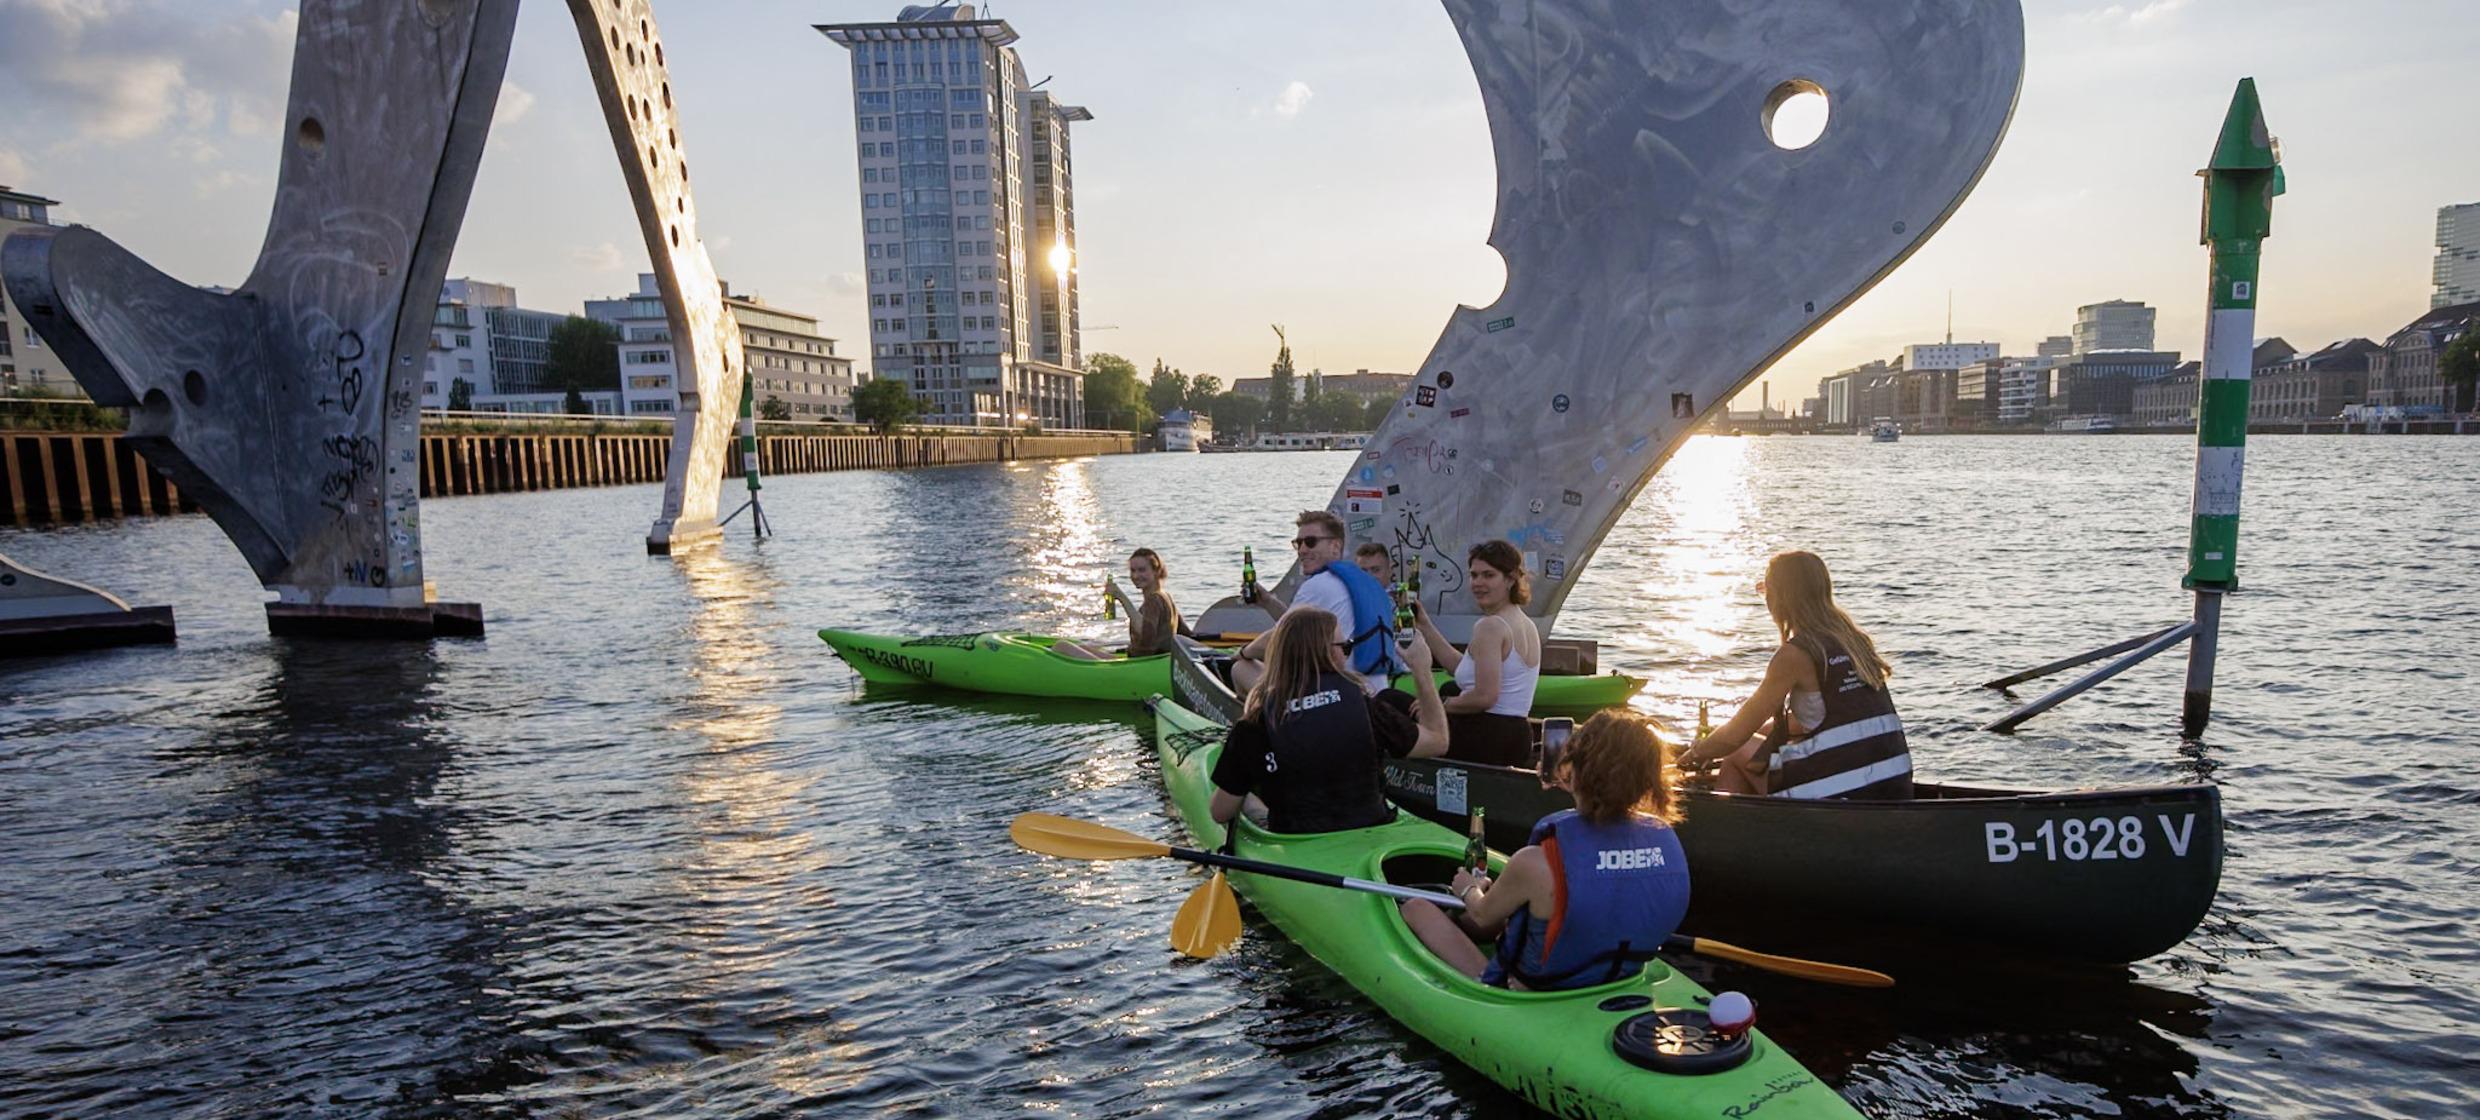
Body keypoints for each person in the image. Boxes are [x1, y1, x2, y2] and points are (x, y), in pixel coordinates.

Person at [1400, 710, 1689, 988]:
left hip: (1535, 986)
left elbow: (1481, 914)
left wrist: (1469, 887)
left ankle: (1483, 982)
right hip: (1619, 974)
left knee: (1417, 908)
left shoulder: (1536, 863)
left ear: (1577, 769)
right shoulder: (1664, 838)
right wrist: (1571, 783)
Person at [1680, 550, 1912, 799]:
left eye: (1765, 590)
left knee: (1737, 755)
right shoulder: (1855, 642)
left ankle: (1728, 831)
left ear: (1781, 596)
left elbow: (1734, 737)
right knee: (1760, 749)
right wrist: (1764, 731)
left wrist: (1694, 754)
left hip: (1843, 795)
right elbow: (1830, 715)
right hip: (1892, 785)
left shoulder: (1797, 654)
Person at [1210, 607, 1449, 832]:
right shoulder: (1364, 706)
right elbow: (1438, 741)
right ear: (1328, 653)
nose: (1346, 653)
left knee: (1247, 798)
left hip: (1295, 836)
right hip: (1369, 825)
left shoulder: (1254, 723)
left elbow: (1220, 813)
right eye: (1345, 646)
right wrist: (1421, 670)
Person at [1231, 511, 1402, 694]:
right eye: (1298, 543)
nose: (1302, 550)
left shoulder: (1318, 586)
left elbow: (1279, 640)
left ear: (1335, 546)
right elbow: (1302, 627)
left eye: (1311, 542)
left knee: (1241, 668)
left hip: (1336, 696)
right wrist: (1268, 602)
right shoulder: (1365, 583)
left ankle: (1263, 720)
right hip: (1374, 693)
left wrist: (1242, 653)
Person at [1409, 540, 1542, 766]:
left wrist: (1437, 703)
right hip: (1516, 735)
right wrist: (1425, 626)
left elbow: (1485, 697)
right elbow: (1465, 669)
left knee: (1388, 701)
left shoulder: (1490, 626)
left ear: (1510, 579)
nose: (1478, 583)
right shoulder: (1525, 622)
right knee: (1450, 687)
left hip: (1489, 736)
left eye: (1488, 575)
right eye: (1474, 575)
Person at [1055, 548, 1193, 660]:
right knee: (1078, 645)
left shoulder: (1154, 599)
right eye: (1133, 570)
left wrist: (1121, 597)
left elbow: (1145, 632)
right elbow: (1186, 634)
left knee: (1062, 646)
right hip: (1144, 660)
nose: (1136, 575)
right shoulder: (1166, 596)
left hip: (1142, 665)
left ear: (1156, 571)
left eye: (1142, 570)